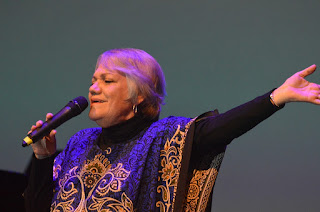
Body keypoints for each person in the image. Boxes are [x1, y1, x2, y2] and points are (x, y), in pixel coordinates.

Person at [24, 48, 320, 212]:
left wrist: (276, 98)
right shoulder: (79, 143)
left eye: (107, 80)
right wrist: (42, 159)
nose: (93, 88)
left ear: (139, 95)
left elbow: (221, 129)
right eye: (93, 80)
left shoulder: (162, 138)